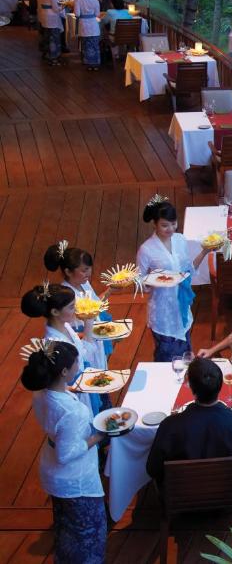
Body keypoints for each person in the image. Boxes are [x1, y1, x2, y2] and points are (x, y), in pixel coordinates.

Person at [21, 340, 107, 564]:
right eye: (76, 362)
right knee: (88, 536)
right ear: (64, 372)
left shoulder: (41, 392)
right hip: (75, 480)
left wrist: (68, 390)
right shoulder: (72, 412)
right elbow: (66, 454)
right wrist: (99, 436)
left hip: (52, 472)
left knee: (66, 531)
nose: (79, 364)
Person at [146, 357, 232, 486]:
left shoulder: (169, 425)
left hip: (182, 493)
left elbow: (152, 469)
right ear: (221, 384)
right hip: (227, 490)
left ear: (191, 387)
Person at [136, 195, 213, 361]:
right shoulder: (146, 249)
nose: (170, 228)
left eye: (173, 223)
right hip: (163, 310)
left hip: (181, 304)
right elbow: (138, 282)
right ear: (155, 224)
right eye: (164, 225)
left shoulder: (180, 239)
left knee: (186, 356)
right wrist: (155, 281)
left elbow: (187, 271)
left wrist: (205, 251)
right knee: (165, 358)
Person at [21, 283, 106, 413]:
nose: (76, 309)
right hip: (75, 392)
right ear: (55, 312)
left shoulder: (64, 326)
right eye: (71, 307)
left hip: (83, 383)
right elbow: (81, 358)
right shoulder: (53, 343)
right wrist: (88, 323)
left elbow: (79, 351)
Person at [44, 242, 114, 359]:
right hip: (84, 340)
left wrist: (111, 289)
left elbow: (96, 304)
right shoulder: (66, 295)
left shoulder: (84, 283)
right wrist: (88, 335)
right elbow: (66, 327)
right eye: (84, 270)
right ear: (68, 272)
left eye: (89, 268)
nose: (89, 273)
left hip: (95, 334)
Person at [32, 0, 64, 66]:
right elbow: (56, 8)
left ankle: (47, 54)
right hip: (52, 17)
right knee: (54, 38)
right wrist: (63, 6)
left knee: (47, 36)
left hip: (43, 16)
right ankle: (54, 58)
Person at [71, 0, 102, 70]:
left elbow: (77, 14)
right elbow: (97, 14)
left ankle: (88, 64)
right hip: (93, 24)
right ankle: (95, 64)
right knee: (94, 45)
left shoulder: (78, 0)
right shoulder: (95, 0)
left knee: (86, 45)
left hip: (83, 25)